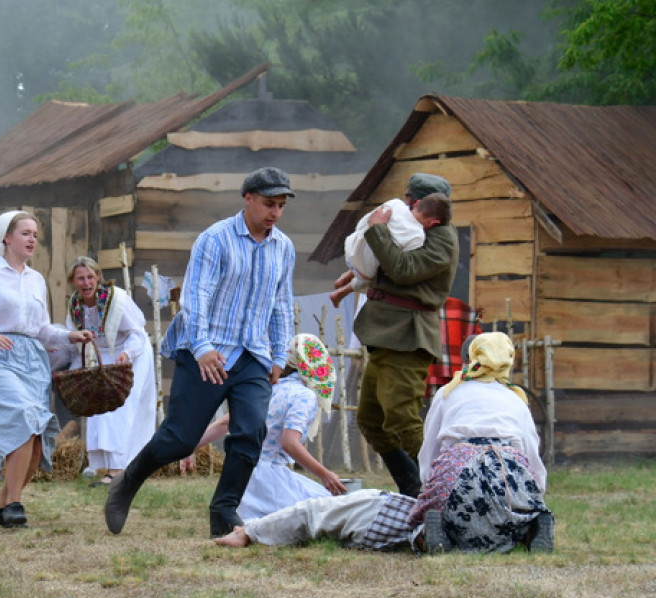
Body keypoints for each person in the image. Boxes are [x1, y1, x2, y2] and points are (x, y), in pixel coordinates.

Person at [215, 332, 554, 555]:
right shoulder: (516, 399)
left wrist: (425, 499)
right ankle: (529, 524)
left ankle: (425, 531)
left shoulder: (452, 392)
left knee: (361, 511)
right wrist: (533, 497)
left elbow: (430, 455)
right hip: (512, 483)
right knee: (502, 520)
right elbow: (533, 460)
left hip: (458, 482)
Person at [105, 167, 296, 537]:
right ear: (248, 199)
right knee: (180, 438)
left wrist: (277, 357)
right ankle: (128, 480)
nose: (274, 212)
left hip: (254, 354)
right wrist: (204, 347)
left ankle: (224, 511)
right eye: (268, 204)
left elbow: (282, 303)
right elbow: (196, 297)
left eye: (280, 205)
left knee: (251, 431)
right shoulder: (216, 239)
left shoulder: (283, 246)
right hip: (207, 350)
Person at [0, 211, 93, 529]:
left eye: (35, 234)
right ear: (7, 238)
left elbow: (41, 329)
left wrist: (69, 335)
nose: (32, 239)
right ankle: (15, 504)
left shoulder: (35, 279)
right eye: (25, 233)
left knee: (39, 433)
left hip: (31, 359)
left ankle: (2, 506)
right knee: (24, 415)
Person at [353, 173, 459, 499]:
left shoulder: (443, 237)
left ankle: (451, 492)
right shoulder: (411, 229)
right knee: (371, 421)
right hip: (385, 334)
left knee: (402, 420)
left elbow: (404, 269)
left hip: (407, 336)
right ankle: (413, 488)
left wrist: (377, 229)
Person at [181, 334, 347, 518]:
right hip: (269, 481)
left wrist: (189, 448)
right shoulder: (303, 396)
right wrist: (324, 474)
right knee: (335, 509)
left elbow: (224, 422)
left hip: (240, 477)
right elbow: (289, 443)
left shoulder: (266, 390)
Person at [64, 256, 156, 485]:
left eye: (90, 277)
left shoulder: (116, 299)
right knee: (99, 408)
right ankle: (105, 466)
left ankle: (118, 470)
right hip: (101, 355)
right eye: (80, 278)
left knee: (118, 407)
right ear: (73, 281)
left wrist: (127, 355)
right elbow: (76, 344)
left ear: (98, 278)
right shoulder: (75, 305)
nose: (86, 283)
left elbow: (136, 332)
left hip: (130, 351)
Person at [329, 193, 452, 308]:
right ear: (433, 222)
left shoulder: (395, 204)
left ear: (417, 203)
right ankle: (341, 292)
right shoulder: (417, 237)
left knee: (369, 247)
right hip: (365, 272)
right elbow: (394, 262)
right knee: (379, 263)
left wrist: (361, 234)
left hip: (351, 246)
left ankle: (347, 275)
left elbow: (366, 220)